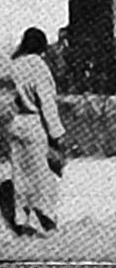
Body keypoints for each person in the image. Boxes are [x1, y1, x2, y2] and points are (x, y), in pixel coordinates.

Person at [5, 27, 68, 237]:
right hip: (35, 124)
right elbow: (47, 104)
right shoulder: (39, 67)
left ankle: (21, 220)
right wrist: (57, 134)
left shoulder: (15, 65)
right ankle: (46, 222)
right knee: (42, 175)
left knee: (20, 175)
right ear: (42, 46)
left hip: (17, 123)